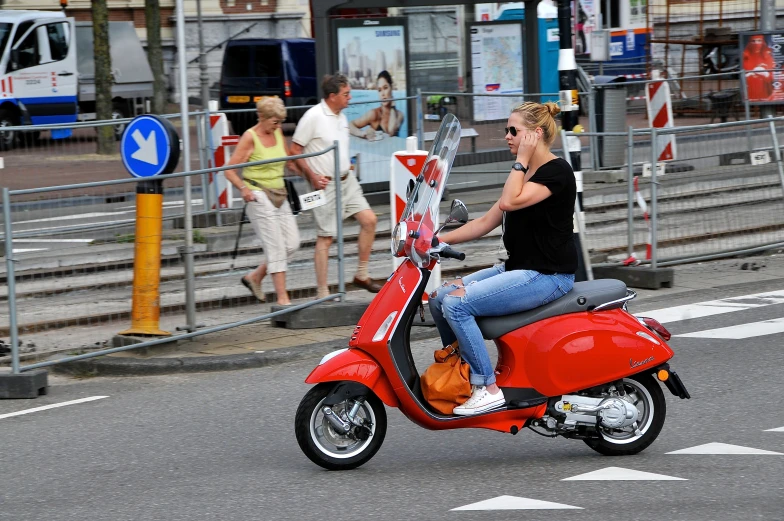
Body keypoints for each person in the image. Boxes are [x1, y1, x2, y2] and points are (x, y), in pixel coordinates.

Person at [428, 101, 577, 416]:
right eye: (507, 131)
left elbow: (509, 202)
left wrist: (521, 161)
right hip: (518, 268)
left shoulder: (556, 172)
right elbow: (484, 223)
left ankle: (487, 388)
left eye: (514, 131)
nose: (507, 136)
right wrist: (436, 239)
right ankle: (462, 375)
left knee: (458, 304)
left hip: (548, 275)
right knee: (440, 297)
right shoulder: (526, 174)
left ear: (535, 134)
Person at [290, 73, 382, 298]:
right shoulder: (313, 117)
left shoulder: (341, 116)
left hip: (346, 181)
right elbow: (293, 152)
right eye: (346, 94)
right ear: (332, 96)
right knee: (326, 237)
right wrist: (312, 177)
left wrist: (347, 166)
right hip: (324, 186)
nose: (350, 98)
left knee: (369, 220)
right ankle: (322, 291)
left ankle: (362, 274)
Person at [225, 96, 301, 306]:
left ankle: (255, 277)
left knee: (292, 244)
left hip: (279, 192)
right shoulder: (250, 137)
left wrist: (308, 172)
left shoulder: (276, 131)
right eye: (274, 121)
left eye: (279, 122)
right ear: (261, 117)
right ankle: (282, 299)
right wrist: (243, 189)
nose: (278, 126)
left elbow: (287, 160)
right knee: (275, 245)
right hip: (257, 193)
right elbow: (229, 170)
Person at [349, 70, 405, 140]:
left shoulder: (400, 115)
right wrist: (363, 133)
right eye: (379, 90)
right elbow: (350, 125)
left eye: (385, 88)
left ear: (391, 88)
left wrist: (392, 107)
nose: (382, 94)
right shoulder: (374, 114)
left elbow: (391, 132)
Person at [743, 34, 775, 102]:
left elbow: (772, 77)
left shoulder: (767, 56)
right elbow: (742, 74)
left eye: (759, 41)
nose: (756, 43)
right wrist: (749, 74)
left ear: (763, 42)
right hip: (751, 90)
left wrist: (765, 74)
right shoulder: (745, 56)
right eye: (753, 41)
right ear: (750, 42)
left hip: (764, 91)